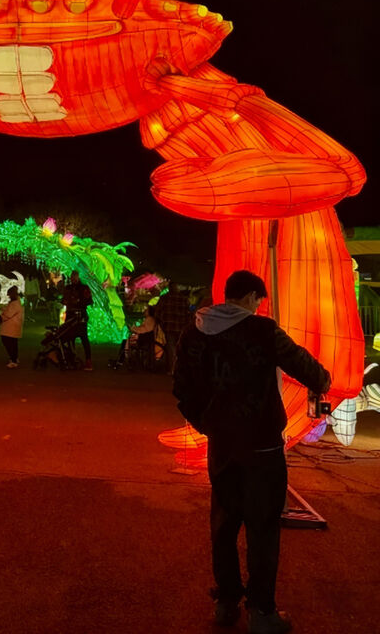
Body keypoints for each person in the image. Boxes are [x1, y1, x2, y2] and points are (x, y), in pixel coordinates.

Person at [173, 270, 331, 633]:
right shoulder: (262, 330)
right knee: (263, 528)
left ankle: (226, 603)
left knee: (224, 525)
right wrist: (324, 380)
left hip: (222, 445)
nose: (257, 307)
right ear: (249, 298)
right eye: (257, 301)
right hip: (262, 445)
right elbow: (302, 364)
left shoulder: (193, 331)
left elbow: (181, 387)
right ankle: (262, 612)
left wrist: (207, 424)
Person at [154, 281, 190, 374]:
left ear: (169, 288)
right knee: (181, 348)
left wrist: (160, 321)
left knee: (171, 349)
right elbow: (188, 313)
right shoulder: (184, 299)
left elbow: (157, 312)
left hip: (169, 327)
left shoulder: (164, 298)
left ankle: (173, 369)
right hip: (181, 327)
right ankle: (181, 368)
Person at [61, 270, 93, 370]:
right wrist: (66, 301)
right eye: (72, 277)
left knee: (84, 338)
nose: (73, 279)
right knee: (70, 338)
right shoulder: (68, 288)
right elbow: (63, 300)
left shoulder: (84, 288)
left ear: (78, 277)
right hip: (70, 316)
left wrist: (78, 301)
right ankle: (72, 359)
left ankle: (88, 361)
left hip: (80, 316)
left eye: (75, 277)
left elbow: (89, 301)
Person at [130, 305, 166, 370]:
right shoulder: (151, 319)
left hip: (147, 339)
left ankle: (123, 358)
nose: (144, 311)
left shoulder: (149, 319)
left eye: (146, 310)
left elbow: (144, 330)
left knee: (129, 340)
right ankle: (121, 358)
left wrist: (133, 329)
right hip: (148, 339)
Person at [0, 285, 24, 368]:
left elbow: (8, 314)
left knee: (9, 343)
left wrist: (1, 316)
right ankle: (14, 358)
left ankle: (13, 360)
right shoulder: (17, 302)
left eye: (9, 294)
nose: (8, 296)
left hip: (10, 327)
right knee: (13, 343)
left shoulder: (14, 304)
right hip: (13, 327)